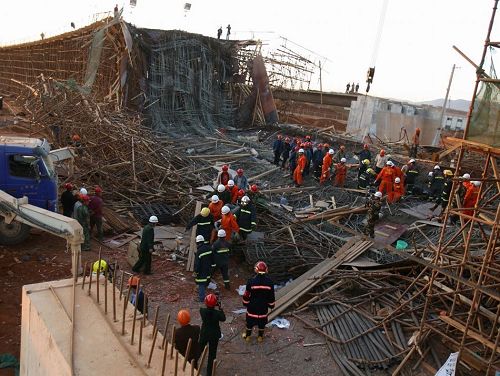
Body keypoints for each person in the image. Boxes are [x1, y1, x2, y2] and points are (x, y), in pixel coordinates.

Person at [242, 261, 275, 343]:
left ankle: (248, 336)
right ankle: (260, 337)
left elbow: (246, 295)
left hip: (252, 306)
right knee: (262, 322)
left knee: (249, 322)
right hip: (263, 306)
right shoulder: (270, 282)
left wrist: (245, 303)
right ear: (266, 270)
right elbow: (271, 296)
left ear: (256, 270)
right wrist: (271, 305)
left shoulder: (251, 281)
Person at [199, 294, 226, 376]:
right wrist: (220, 308)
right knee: (212, 354)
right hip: (214, 335)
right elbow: (223, 318)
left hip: (204, 333)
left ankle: (193, 364)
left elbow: (206, 307)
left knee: (199, 349)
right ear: (215, 304)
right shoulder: (217, 313)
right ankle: (209, 373)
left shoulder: (202, 311)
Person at [194, 235, 213, 302]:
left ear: (197, 243)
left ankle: (201, 298)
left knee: (201, 283)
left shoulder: (199, 251)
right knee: (206, 281)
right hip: (209, 269)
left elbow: (197, 264)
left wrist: (196, 272)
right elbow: (213, 258)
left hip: (202, 270)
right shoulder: (209, 248)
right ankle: (204, 294)